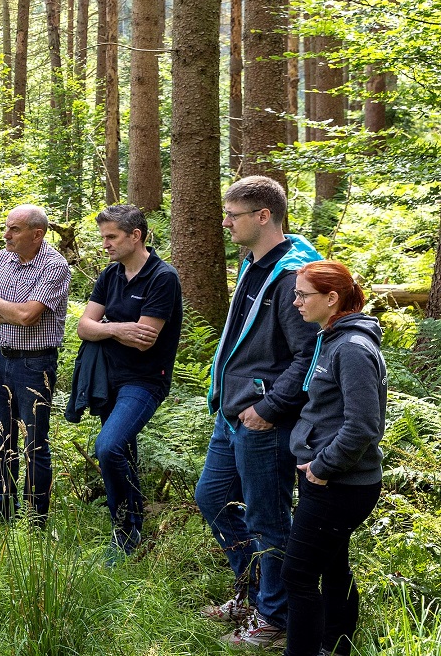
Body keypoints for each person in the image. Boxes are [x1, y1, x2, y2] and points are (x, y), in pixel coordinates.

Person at [195, 176, 321, 649]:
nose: (225, 223)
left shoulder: (292, 276)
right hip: (232, 416)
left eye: (233, 215)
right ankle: (254, 592)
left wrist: (269, 407)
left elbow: (308, 352)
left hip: (263, 421)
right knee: (212, 498)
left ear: (263, 216)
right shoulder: (254, 264)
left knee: (269, 519)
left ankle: (274, 617)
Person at [282, 261, 386, 656]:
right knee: (331, 564)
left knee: (298, 575)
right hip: (325, 476)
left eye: (302, 295)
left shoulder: (353, 348)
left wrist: (322, 469)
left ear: (331, 298)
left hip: (340, 483)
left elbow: (362, 425)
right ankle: (335, 645)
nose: (295, 302)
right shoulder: (332, 338)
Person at [76, 204, 183, 557]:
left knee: (108, 446)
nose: (104, 244)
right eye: (103, 236)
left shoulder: (162, 277)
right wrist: (120, 328)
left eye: (111, 237)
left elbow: (146, 338)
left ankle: (127, 527)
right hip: (109, 378)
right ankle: (128, 533)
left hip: (145, 380)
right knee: (124, 451)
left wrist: (103, 329)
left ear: (135, 236)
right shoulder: (110, 276)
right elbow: (83, 327)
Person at [0, 204, 71, 523]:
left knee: (34, 443)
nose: (6, 234)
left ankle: (35, 517)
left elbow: (28, 317)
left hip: (35, 363)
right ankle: (4, 508)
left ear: (37, 234)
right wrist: (8, 311)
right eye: (7, 227)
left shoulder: (54, 266)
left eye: (14, 229)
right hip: (0, 359)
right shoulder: (1, 259)